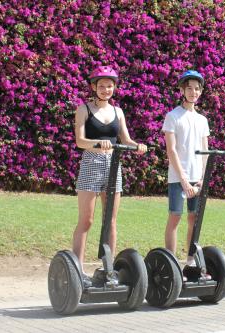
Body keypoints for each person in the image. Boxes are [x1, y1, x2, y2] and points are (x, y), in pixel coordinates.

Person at [73, 65, 147, 284]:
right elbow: (79, 141)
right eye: (102, 86)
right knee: (87, 220)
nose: (106, 89)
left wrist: (137, 146)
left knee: (110, 221)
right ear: (94, 86)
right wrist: (97, 143)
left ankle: (109, 269)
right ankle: (77, 268)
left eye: (110, 86)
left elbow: (125, 140)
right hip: (91, 163)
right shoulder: (83, 109)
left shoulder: (118, 112)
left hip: (113, 164)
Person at [162, 70, 210, 278]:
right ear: (182, 90)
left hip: (196, 177)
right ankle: (171, 263)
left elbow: (205, 151)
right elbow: (171, 150)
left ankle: (190, 261)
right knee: (175, 217)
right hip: (178, 177)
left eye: (197, 89)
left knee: (194, 218)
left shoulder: (202, 120)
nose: (193, 92)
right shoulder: (173, 116)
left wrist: (201, 178)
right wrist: (183, 179)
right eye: (189, 88)